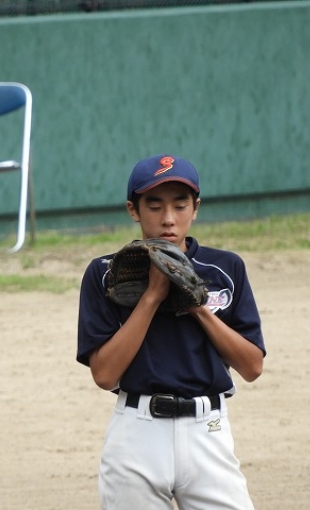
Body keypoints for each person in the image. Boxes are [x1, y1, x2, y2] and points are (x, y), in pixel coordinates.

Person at [76, 154, 266, 510]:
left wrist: (197, 305)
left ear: (195, 208)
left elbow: (252, 366)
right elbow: (104, 374)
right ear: (133, 210)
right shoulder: (106, 274)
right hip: (137, 434)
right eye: (154, 206)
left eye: (180, 205)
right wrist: (152, 296)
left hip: (208, 432)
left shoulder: (225, 268)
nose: (168, 218)